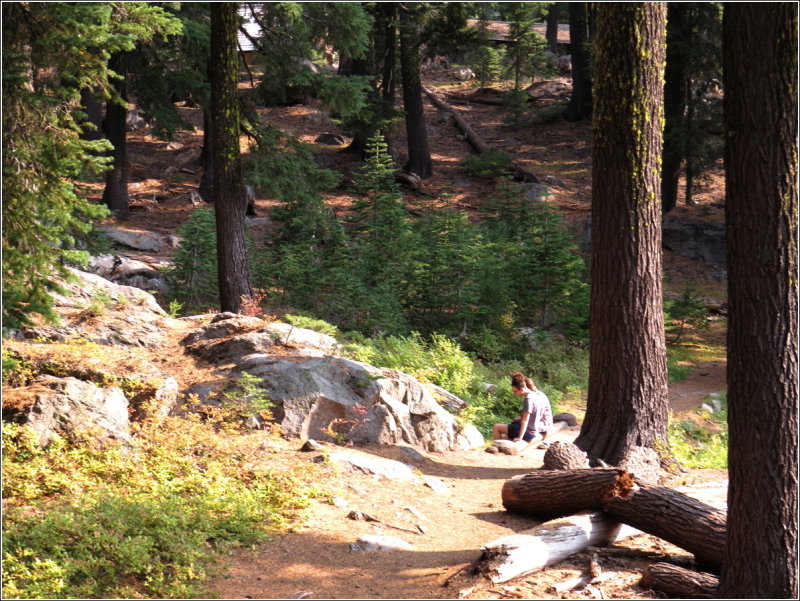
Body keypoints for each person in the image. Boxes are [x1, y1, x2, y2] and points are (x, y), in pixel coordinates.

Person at [492, 371, 553, 443]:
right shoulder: (535, 395)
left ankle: (497, 447)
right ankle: (505, 443)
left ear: (521, 390)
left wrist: (519, 438)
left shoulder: (528, 399)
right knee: (510, 428)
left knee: (496, 427)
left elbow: (525, 420)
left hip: (529, 433)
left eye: (515, 391)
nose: (514, 394)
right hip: (533, 429)